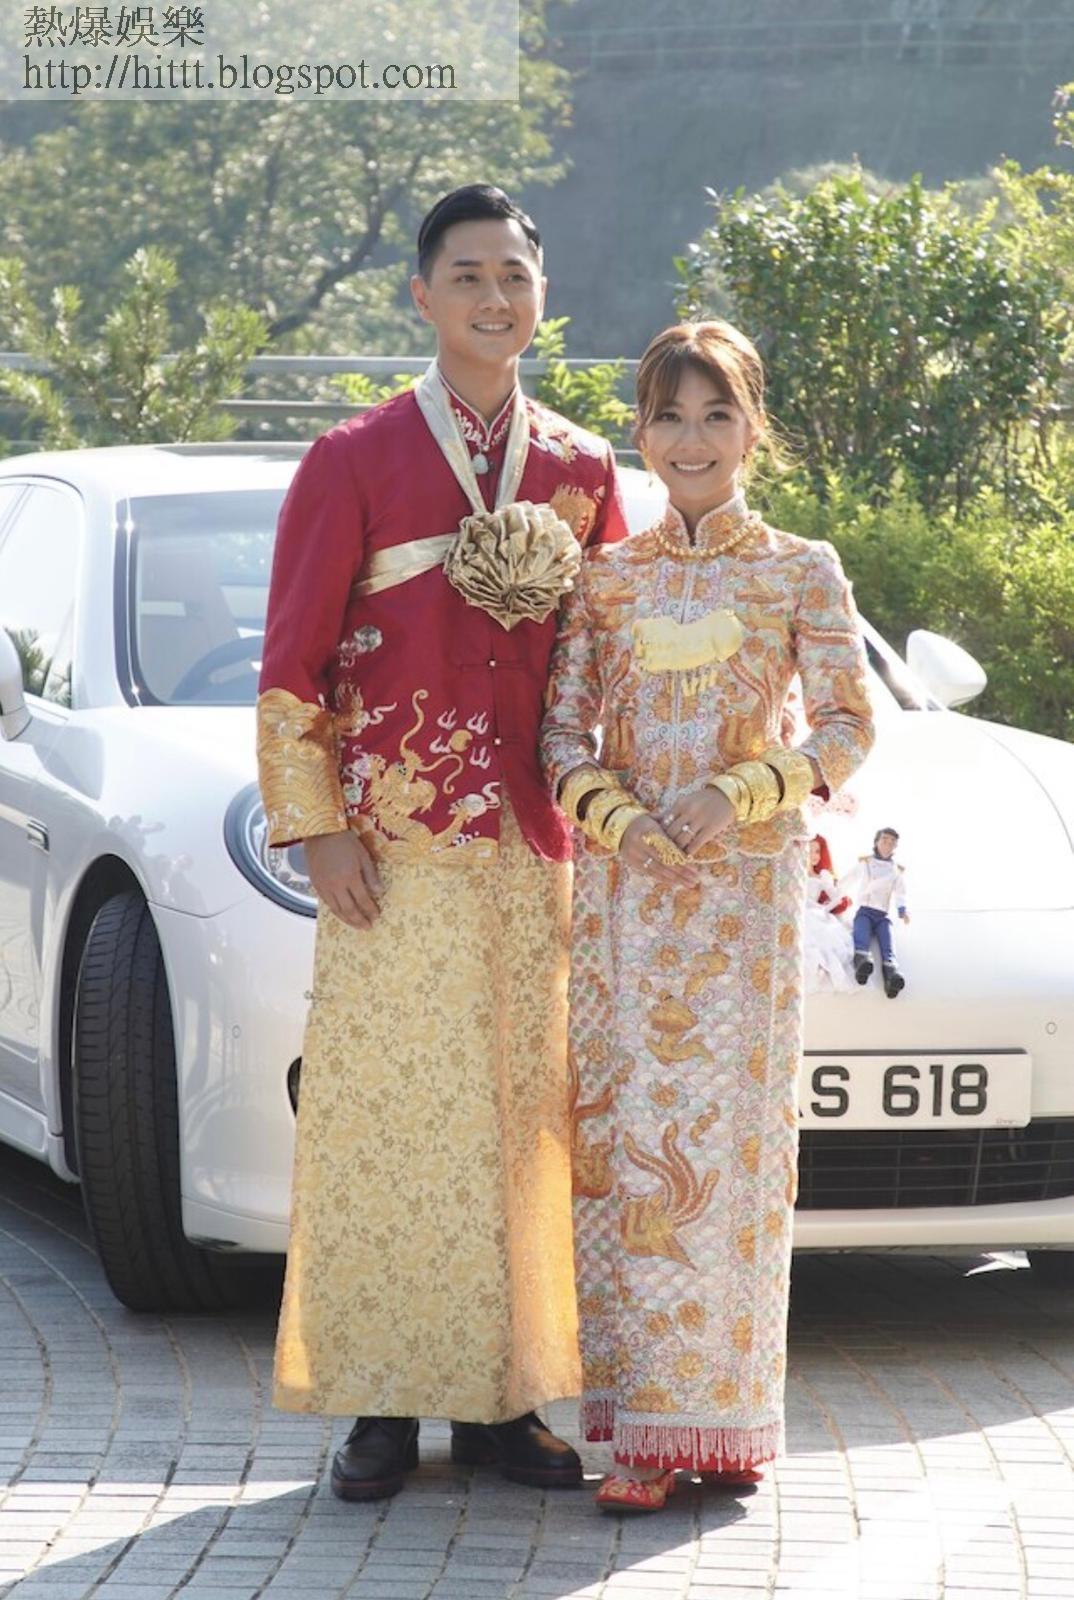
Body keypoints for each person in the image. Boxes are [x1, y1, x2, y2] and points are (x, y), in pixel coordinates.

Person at [256, 183, 628, 1503]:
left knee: (523, 1125)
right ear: (421, 295)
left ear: (541, 294)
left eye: (513, 276)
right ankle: (380, 1403)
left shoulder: (583, 469)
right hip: (392, 849)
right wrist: (317, 831)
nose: (492, 297)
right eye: (466, 275)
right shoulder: (351, 458)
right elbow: (291, 666)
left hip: (536, 848)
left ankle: (508, 1404)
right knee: (390, 1124)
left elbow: (609, 663)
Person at [540, 319, 875, 1512]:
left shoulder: (800, 568)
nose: (692, 440)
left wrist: (739, 794)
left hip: (743, 913)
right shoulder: (604, 579)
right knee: (629, 1153)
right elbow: (557, 736)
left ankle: (725, 1422)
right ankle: (640, 1433)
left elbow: (849, 727)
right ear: (640, 432)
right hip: (626, 909)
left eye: (715, 415)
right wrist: (619, 818)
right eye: (669, 417)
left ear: (751, 429)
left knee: (734, 1158)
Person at [839, 827, 910, 996]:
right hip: (865, 910)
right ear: (877, 842)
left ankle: (891, 974)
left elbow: (900, 892)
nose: (888, 845)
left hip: (882, 914)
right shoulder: (865, 863)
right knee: (861, 934)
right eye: (884, 840)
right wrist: (836, 889)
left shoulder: (896, 871)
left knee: (887, 941)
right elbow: (849, 879)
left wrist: (902, 910)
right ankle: (862, 963)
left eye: (892, 843)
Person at [803, 834, 855, 993]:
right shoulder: (795, 875)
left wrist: (836, 890)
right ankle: (813, 968)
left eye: (817, 851)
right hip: (804, 912)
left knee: (824, 937)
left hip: (815, 912)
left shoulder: (821, 876)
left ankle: (822, 968)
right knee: (809, 937)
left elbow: (835, 896)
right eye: (810, 851)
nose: (814, 855)